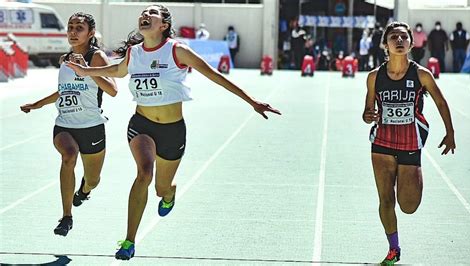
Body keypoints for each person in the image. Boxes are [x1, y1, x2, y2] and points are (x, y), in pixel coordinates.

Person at [66, 4, 281, 260]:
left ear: (164, 25)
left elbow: (215, 76)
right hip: (141, 125)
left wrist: (252, 101)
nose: (145, 15)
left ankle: (169, 193)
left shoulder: (177, 51)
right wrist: (87, 71)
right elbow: (117, 71)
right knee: (144, 173)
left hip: (172, 131)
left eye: (152, 13)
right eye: (143, 12)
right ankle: (129, 241)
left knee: (160, 187)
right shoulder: (134, 53)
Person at [362, 22, 455, 264]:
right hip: (381, 144)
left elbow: (441, 103)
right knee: (385, 199)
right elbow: (367, 112)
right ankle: (394, 249)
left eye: (404, 37)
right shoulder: (374, 77)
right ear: (386, 44)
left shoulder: (422, 74)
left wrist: (450, 132)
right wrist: (368, 116)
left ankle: (406, 186)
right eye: (394, 37)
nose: (400, 41)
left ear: (411, 44)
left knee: (408, 205)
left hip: (410, 144)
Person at [20, 13, 117, 236]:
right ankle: (66, 217)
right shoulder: (64, 59)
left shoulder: (96, 57)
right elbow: (64, 91)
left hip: (92, 126)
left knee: (93, 180)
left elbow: (112, 90)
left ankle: (84, 190)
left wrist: (87, 71)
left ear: (90, 33)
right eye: (70, 27)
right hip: (64, 125)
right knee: (68, 156)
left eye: (79, 28)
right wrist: (38, 104)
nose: (73, 32)